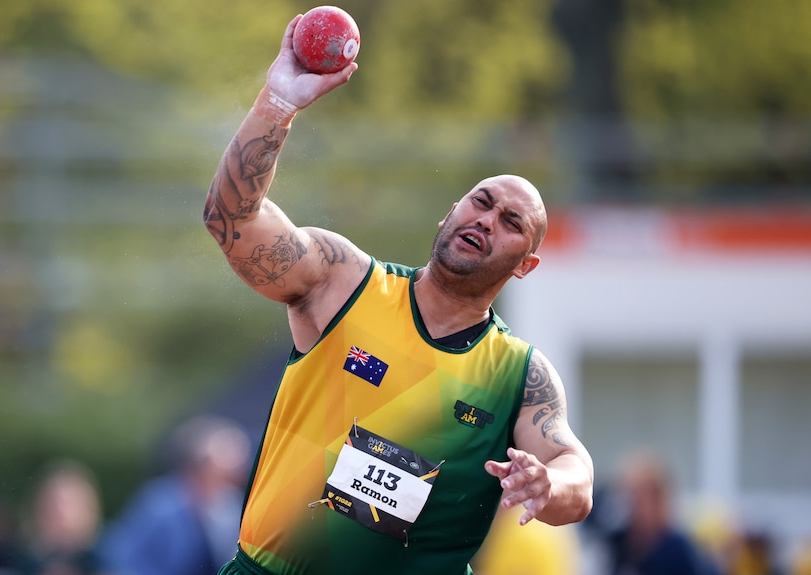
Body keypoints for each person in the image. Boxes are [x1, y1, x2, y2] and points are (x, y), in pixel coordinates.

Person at [203, 13, 594, 575]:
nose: (486, 219)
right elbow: (230, 220)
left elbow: (576, 477)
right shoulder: (345, 282)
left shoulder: (518, 375)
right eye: (480, 201)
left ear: (526, 265)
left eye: (511, 222)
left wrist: (547, 482)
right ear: (450, 212)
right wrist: (277, 104)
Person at [100, 416, 250, 575]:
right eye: (228, 451)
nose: (240, 461)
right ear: (201, 461)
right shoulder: (161, 504)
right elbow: (122, 558)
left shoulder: (229, 507)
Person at [605, 451, 721, 575]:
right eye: (627, 495)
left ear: (659, 501)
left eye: (639, 497)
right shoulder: (617, 544)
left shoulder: (678, 551)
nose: (631, 504)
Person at [15, 459, 107, 575]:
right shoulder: (28, 555)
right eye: (53, 503)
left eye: (67, 502)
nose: (59, 510)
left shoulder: (102, 552)